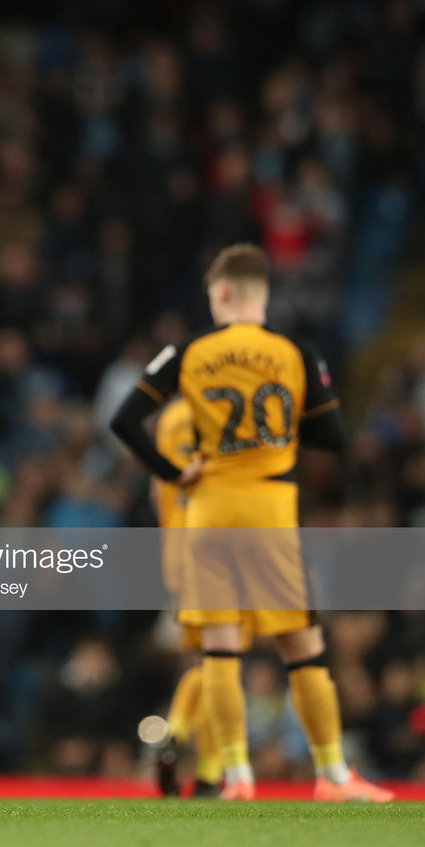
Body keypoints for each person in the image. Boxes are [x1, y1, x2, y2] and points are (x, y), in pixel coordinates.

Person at [110, 243, 393, 803]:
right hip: (269, 510)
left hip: (209, 510)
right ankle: (334, 775)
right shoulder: (295, 352)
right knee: (303, 648)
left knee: (218, 652)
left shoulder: (189, 351)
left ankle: (236, 776)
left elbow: (127, 420)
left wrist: (176, 471)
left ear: (220, 294)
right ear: (263, 296)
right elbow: (334, 438)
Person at [145, 397, 224, 797]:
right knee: (221, 664)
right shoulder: (225, 414)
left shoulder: (171, 419)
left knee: (206, 662)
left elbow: (159, 489)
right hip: (220, 550)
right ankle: (188, 743)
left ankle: (205, 770)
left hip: (178, 554)